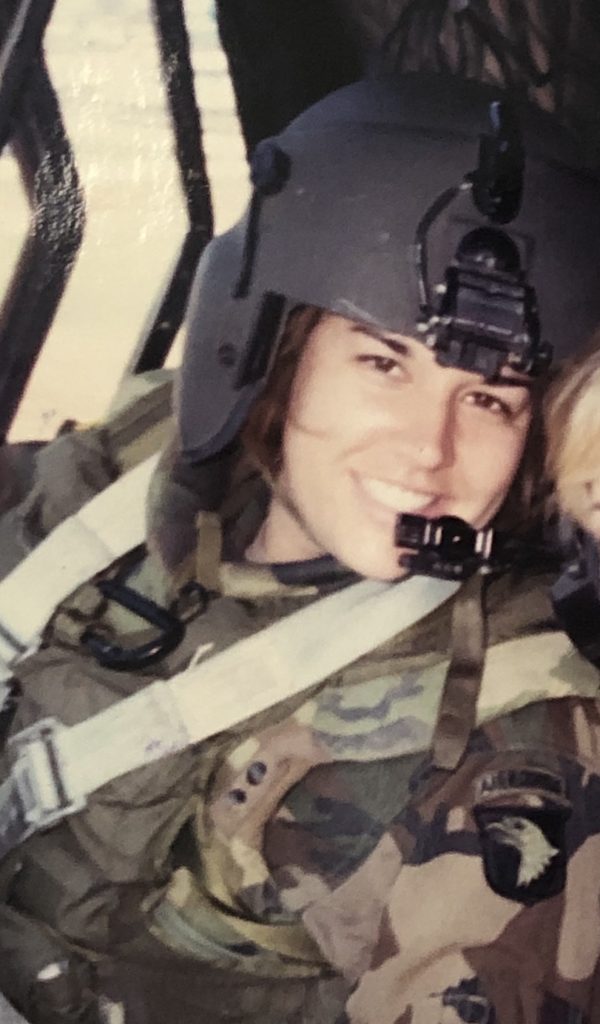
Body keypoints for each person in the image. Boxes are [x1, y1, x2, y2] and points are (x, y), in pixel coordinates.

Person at [2, 72, 600, 1024]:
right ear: (274, 352)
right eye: (383, 361)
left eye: (490, 399)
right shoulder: (143, 457)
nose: (429, 449)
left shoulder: (511, 754)